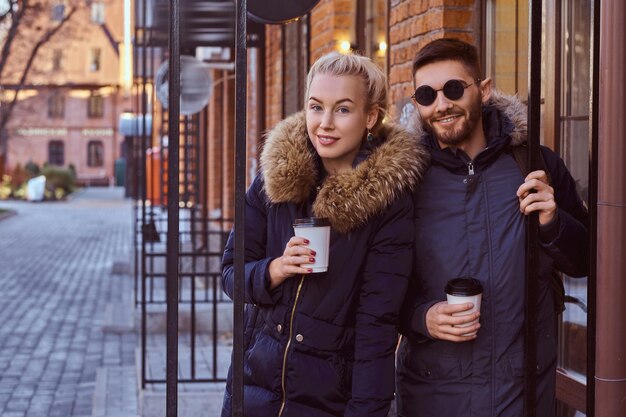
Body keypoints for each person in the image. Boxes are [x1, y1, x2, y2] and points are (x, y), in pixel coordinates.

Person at [221, 52, 429, 417]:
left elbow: (376, 330)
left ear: (371, 117)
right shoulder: (273, 183)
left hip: (328, 401)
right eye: (316, 107)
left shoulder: (388, 204)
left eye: (343, 109)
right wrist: (276, 269)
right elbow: (230, 274)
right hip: (253, 392)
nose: (325, 123)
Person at [395, 38, 589, 416]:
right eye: (426, 95)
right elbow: (376, 287)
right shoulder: (405, 181)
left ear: (482, 90)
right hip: (431, 396)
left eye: (453, 89)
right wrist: (422, 318)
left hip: (520, 395)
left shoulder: (533, 162)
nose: (442, 105)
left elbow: (587, 262)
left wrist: (553, 223)